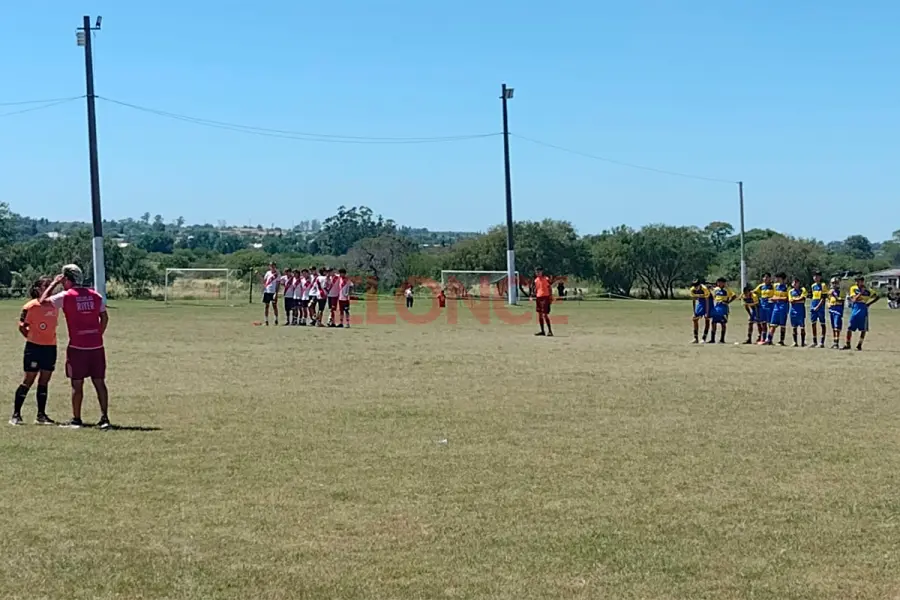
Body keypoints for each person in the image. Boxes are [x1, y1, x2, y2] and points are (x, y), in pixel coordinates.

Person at [39, 264, 110, 429]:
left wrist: (54, 283)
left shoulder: (66, 296)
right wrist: (98, 334)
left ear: (66, 279)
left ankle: (77, 419)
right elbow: (105, 317)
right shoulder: (95, 295)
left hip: (77, 347)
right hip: (97, 347)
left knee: (77, 384)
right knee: (99, 382)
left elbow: (42, 302)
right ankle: (104, 418)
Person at [10, 277, 58, 426]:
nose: (50, 289)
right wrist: (32, 338)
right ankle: (16, 415)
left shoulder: (54, 304)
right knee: (28, 380)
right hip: (34, 348)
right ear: (38, 289)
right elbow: (22, 326)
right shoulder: (30, 306)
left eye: (50, 285)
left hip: (50, 347)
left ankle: (41, 415)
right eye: (46, 285)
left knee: (44, 381)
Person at [845, 275, 878, 350]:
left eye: (858, 281)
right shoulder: (853, 288)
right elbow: (854, 299)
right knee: (850, 327)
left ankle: (859, 344)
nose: (857, 282)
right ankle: (848, 344)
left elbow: (877, 297)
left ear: (862, 282)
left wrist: (869, 303)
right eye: (856, 281)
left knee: (863, 329)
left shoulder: (868, 290)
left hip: (863, 309)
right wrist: (861, 293)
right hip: (855, 308)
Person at [709, 277, 736, 344]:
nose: (719, 283)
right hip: (716, 307)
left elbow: (734, 296)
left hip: (723, 307)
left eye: (720, 282)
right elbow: (713, 296)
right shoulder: (716, 289)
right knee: (713, 323)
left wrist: (728, 302)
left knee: (723, 323)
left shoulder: (727, 290)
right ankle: (712, 339)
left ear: (724, 283)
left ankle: (722, 339)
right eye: (718, 282)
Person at [765, 272, 790, 346]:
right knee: (772, 324)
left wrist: (777, 298)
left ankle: (781, 341)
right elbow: (774, 295)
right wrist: (772, 298)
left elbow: (787, 298)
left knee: (782, 325)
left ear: (782, 278)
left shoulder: (787, 287)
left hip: (783, 307)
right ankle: (769, 340)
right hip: (776, 307)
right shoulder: (775, 286)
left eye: (778, 277)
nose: (776, 279)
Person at [807, 271, 828, 348]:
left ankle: (822, 342)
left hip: (820, 307)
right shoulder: (813, 286)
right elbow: (812, 297)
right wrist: (812, 306)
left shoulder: (823, 285)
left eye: (817, 276)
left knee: (822, 324)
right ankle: (814, 341)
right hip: (813, 305)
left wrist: (818, 307)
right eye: (814, 276)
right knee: (813, 323)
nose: (816, 278)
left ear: (820, 277)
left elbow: (823, 298)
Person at [753, 273, 775, 343]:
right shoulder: (761, 286)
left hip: (770, 306)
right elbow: (754, 292)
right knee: (763, 323)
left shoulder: (773, 286)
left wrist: (773, 299)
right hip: (762, 306)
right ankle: (763, 339)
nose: (765, 279)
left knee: (770, 323)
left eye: (767, 277)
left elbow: (777, 293)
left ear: (770, 278)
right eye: (764, 277)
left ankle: (769, 339)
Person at [689, 279, 712, 344]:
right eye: (694, 285)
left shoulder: (704, 289)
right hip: (700, 301)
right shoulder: (692, 290)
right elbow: (694, 300)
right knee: (695, 319)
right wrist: (694, 312)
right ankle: (695, 338)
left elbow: (707, 301)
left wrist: (707, 313)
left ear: (699, 284)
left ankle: (704, 338)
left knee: (707, 318)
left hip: (709, 301)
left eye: (697, 285)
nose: (695, 287)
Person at [533, 267, 553, 336]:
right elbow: (536, 289)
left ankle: (550, 331)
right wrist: (534, 294)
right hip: (538, 298)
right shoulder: (536, 280)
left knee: (545, 314)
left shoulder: (546, 279)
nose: (537, 273)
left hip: (545, 297)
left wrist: (550, 297)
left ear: (542, 272)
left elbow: (549, 288)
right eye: (536, 272)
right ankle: (542, 331)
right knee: (540, 315)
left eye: (539, 271)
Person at [788, 277, 808, 347]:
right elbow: (790, 300)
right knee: (794, 327)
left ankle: (802, 342)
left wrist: (795, 300)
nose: (795, 284)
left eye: (796, 282)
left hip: (801, 311)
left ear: (799, 283)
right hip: (793, 311)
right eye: (794, 282)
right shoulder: (790, 291)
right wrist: (798, 299)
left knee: (802, 327)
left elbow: (803, 299)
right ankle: (795, 342)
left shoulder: (803, 290)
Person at [827, 276, 845, 349]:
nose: (834, 284)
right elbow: (828, 299)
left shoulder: (841, 292)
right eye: (833, 283)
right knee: (833, 327)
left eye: (835, 283)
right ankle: (834, 341)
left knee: (837, 326)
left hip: (838, 309)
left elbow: (841, 300)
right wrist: (828, 304)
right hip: (832, 309)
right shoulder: (830, 292)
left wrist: (835, 296)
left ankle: (837, 342)